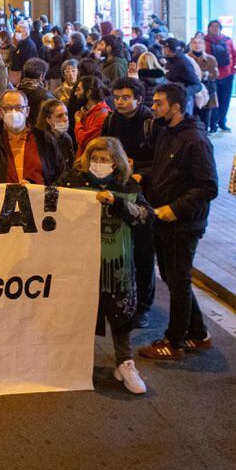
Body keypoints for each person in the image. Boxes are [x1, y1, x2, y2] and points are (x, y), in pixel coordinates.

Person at [57, 136, 155, 395]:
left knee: (120, 319)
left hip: (116, 267)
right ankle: (75, 365)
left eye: (105, 160)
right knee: (79, 316)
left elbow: (146, 216)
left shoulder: (127, 185)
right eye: (94, 159)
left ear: (116, 162)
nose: (99, 164)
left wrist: (117, 202)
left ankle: (125, 364)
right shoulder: (72, 182)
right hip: (80, 266)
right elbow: (50, 203)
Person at [137, 83, 218, 361]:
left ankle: (175, 341)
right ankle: (198, 333)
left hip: (183, 223)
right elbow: (164, 171)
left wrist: (175, 208)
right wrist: (143, 176)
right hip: (162, 218)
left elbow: (208, 186)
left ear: (175, 107)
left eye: (158, 103)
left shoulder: (195, 139)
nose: (153, 107)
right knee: (173, 278)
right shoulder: (167, 132)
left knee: (179, 281)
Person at [101, 77, 159, 326]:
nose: (120, 102)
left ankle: (143, 308)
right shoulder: (112, 119)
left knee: (144, 253)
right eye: (117, 97)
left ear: (138, 98)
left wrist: (140, 171)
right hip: (118, 193)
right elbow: (102, 148)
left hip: (145, 195)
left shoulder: (151, 124)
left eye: (126, 97)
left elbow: (162, 161)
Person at [0, 90, 65, 185]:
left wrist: (38, 191)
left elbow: (59, 177)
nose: (13, 112)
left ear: (27, 111)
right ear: (1, 112)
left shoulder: (45, 141)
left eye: (19, 107)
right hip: (1, 199)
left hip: (38, 199)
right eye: (8, 108)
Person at [205, 20, 236, 132]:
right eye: (212, 26)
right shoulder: (204, 41)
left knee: (225, 100)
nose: (215, 29)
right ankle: (213, 124)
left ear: (221, 29)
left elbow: (235, 56)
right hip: (212, 76)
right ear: (208, 28)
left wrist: (233, 70)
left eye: (217, 27)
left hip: (227, 75)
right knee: (213, 101)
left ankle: (222, 121)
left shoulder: (228, 41)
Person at [188, 34, 219, 132]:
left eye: (200, 43)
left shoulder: (210, 59)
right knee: (191, 119)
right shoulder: (186, 58)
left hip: (206, 92)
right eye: (194, 43)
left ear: (204, 45)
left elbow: (215, 74)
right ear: (190, 45)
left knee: (205, 119)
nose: (197, 45)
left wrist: (204, 74)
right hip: (192, 92)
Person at [73, 78, 111, 156]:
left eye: (78, 90)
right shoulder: (86, 111)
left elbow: (86, 144)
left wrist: (78, 122)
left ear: (89, 92)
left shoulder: (102, 115)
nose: (75, 94)